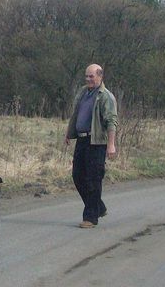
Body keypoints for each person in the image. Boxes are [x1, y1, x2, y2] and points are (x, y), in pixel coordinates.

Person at [64, 64, 118, 228]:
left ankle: (90, 218)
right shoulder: (83, 92)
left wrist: (111, 145)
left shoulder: (105, 96)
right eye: (86, 76)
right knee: (78, 176)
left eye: (91, 76)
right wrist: (69, 133)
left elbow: (111, 121)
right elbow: (76, 115)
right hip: (81, 140)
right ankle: (98, 207)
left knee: (93, 179)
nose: (88, 79)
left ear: (100, 76)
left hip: (96, 142)